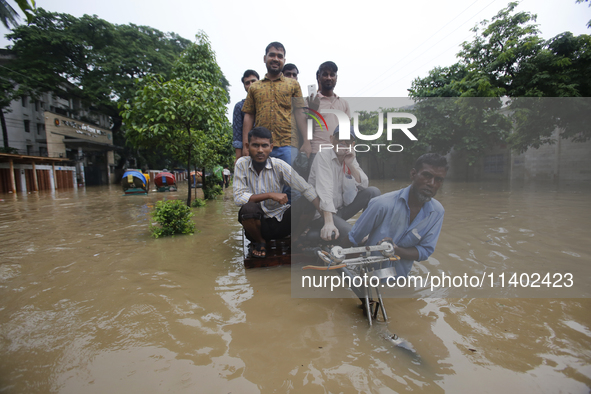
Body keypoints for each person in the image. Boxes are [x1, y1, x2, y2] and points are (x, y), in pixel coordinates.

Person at [349, 153, 449, 277]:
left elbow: (425, 251)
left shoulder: (437, 212)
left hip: (401, 278)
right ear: (413, 174)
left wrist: (395, 250)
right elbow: (353, 239)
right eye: (427, 175)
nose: (432, 183)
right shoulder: (381, 204)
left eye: (438, 180)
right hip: (370, 274)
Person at [234, 127, 320, 258]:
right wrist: (270, 195)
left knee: (308, 202)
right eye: (255, 145)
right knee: (247, 209)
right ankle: (260, 242)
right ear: (247, 146)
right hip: (257, 226)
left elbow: (306, 188)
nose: (260, 150)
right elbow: (238, 198)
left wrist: (327, 218)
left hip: (281, 222)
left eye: (264, 146)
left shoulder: (279, 165)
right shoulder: (241, 164)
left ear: (271, 148)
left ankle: (294, 238)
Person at [307, 126, 380, 245]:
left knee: (373, 192)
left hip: (340, 211)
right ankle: (353, 234)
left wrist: (350, 164)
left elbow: (364, 184)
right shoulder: (323, 155)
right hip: (322, 214)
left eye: (347, 141)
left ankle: (367, 231)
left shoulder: (349, 157)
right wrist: (329, 222)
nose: (343, 143)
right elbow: (325, 190)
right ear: (332, 139)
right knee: (355, 237)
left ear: (352, 144)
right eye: (340, 138)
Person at [241, 42, 310, 166]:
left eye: (280, 56)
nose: (275, 59)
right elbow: (249, 116)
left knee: (289, 184)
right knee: (263, 185)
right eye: (272, 55)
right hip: (261, 146)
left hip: (289, 144)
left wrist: (306, 141)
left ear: (284, 60)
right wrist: (246, 145)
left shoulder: (293, 85)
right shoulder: (255, 87)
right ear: (265, 58)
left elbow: (300, 113)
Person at [307, 61, 351, 158]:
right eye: (325, 74)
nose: (329, 78)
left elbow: (346, 132)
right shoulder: (310, 101)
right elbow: (308, 130)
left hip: (339, 153)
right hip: (317, 152)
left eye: (332, 75)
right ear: (319, 77)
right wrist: (312, 110)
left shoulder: (344, 103)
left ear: (336, 78)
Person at [233, 70, 260, 163]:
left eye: (253, 81)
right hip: (249, 149)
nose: (251, 84)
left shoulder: (266, 104)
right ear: (244, 86)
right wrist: (238, 157)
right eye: (247, 83)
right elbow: (237, 133)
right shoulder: (239, 106)